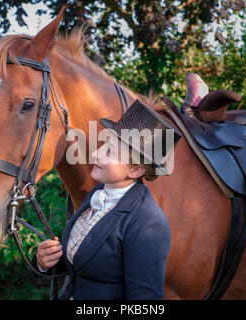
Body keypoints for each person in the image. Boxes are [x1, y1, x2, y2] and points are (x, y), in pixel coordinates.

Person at [31, 99, 181, 300]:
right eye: (103, 146)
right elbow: (87, 264)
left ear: (136, 170)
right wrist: (44, 262)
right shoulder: (97, 193)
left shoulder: (148, 224)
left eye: (109, 152)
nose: (96, 154)